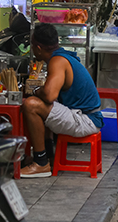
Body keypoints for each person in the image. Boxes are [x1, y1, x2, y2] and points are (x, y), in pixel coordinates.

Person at [20, 23, 103, 178]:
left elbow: (50, 95)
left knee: (31, 105)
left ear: (38, 47)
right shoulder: (63, 56)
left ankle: (41, 163)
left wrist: (37, 91)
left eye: (32, 45)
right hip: (87, 116)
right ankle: (49, 156)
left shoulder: (57, 61)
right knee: (46, 106)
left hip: (85, 119)